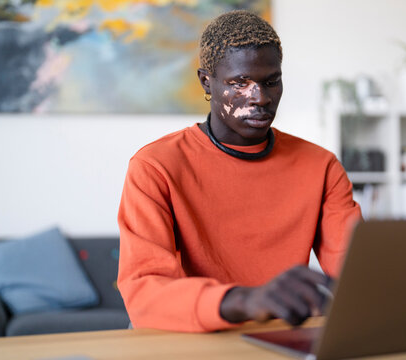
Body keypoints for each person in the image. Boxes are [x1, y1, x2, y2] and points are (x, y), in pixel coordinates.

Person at [117, 10, 362, 333]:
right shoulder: (155, 166)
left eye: (271, 81)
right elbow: (144, 292)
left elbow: (357, 279)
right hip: (189, 340)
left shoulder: (322, 167)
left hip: (280, 338)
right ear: (207, 81)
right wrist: (246, 300)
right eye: (239, 83)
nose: (259, 98)